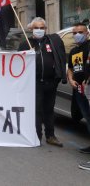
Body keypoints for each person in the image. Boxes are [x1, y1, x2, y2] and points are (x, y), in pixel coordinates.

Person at [18, 17, 67, 147]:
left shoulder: (52, 41)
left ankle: (50, 136)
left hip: (51, 82)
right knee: (37, 110)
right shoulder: (25, 44)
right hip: (35, 83)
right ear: (31, 29)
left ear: (45, 29)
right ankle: (37, 136)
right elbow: (18, 64)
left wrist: (60, 77)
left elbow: (61, 57)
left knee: (49, 110)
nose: (39, 30)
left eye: (41, 28)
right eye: (36, 28)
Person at [65, 23, 90, 170]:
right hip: (79, 90)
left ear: (87, 33)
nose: (77, 35)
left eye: (80, 32)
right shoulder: (74, 51)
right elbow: (70, 68)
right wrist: (71, 79)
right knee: (87, 117)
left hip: (88, 88)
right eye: (74, 33)